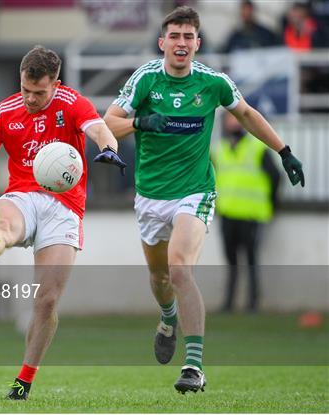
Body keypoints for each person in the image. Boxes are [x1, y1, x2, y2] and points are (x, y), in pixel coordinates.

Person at [103, 6, 304, 394]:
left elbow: (245, 113)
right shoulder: (145, 80)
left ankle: (193, 366)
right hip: (150, 196)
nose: (181, 43)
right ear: (163, 42)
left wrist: (284, 150)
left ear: (198, 43)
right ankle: (167, 318)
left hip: (195, 191)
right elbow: (106, 123)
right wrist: (140, 122)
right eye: (174, 36)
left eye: (188, 37)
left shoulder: (213, 82)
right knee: (160, 277)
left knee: (180, 269)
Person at [0, 45, 126, 400]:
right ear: (19, 80)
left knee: (46, 301)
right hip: (22, 196)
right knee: (4, 227)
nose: (31, 98)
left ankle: (24, 380)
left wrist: (110, 148)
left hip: (65, 208)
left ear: (56, 84)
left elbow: (98, 129)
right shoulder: (2, 114)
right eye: (25, 90)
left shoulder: (71, 102)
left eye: (39, 92)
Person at [214, 112, 280, 313]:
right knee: (231, 260)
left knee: (251, 259)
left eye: (235, 119)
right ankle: (229, 303)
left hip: (251, 214)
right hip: (227, 213)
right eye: (229, 120)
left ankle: (253, 302)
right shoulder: (219, 150)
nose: (232, 124)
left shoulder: (257, 148)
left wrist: (271, 205)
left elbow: (276, 177)